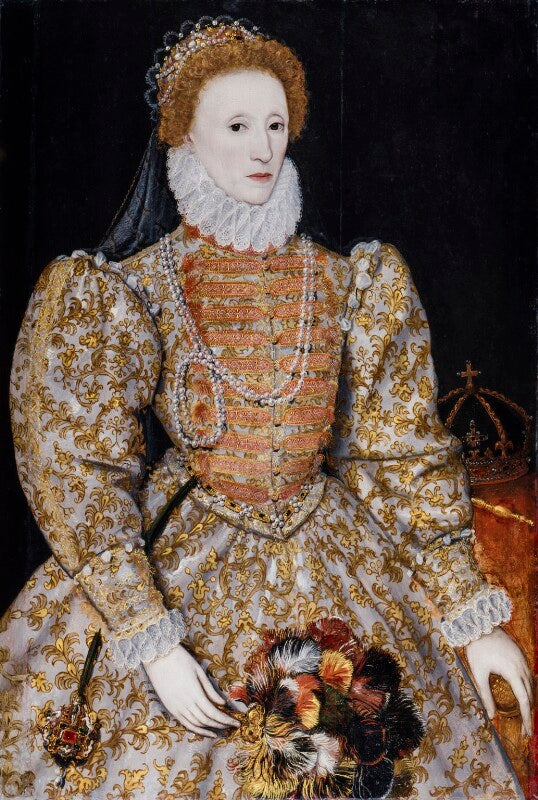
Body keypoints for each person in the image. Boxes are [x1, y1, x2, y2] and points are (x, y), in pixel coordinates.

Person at [1, 16, 531, 800]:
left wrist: (472, 620)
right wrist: (152, 641)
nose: (262, 148)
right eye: (238, 126)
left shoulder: (352, 281)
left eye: (276, 125)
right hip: (187, 551)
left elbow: (398, 455)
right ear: (184, 134)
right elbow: (77, 470)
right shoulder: (126, 290)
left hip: (340, 549)